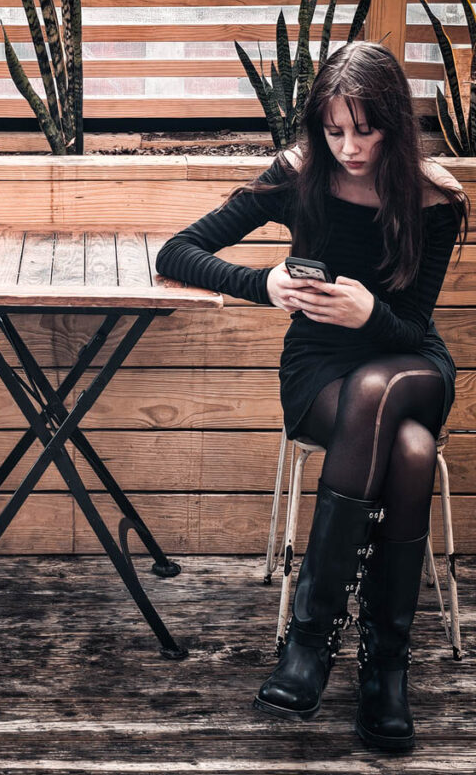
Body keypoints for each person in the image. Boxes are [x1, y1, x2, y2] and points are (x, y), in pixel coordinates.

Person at [155, 42, 469, 753]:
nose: (349, 147)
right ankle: (386, 668)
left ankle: (312, 643)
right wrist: (262, 285)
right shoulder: (298, 176)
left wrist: (368, 316)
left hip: (408, 362)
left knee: (383, 393)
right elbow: (176, 252)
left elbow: (415, 326)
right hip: (320, 374)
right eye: (333, 130)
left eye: (365, 129)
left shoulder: (434, 197)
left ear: (394, 122)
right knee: (412, 449)